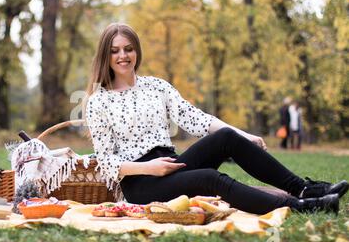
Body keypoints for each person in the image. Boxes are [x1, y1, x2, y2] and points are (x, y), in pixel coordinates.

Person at [84, 23, 348, 215]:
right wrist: (149, 168)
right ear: (106, 56)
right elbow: (106, 163)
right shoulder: (98, 101)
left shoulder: (156, 87)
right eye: (115, 50)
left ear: (136, 51)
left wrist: (242, 135)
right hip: (141, 182)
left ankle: (303, 189)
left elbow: (195, 118)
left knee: (225, 138)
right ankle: (300, 207)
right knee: (209, 178)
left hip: (171, 164)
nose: (123, 56)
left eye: (128, 49)